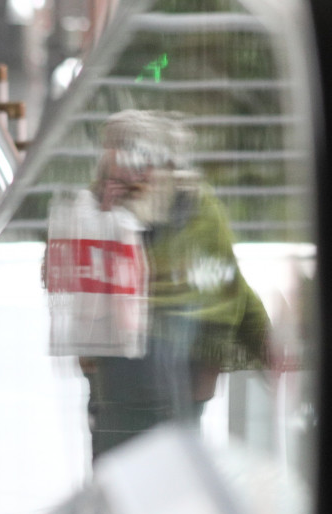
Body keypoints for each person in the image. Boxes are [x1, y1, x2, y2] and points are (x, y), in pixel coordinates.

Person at [69, 110, 272, 460]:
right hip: (117, 366)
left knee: (172, 462)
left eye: (141, 159)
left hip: (189, 364)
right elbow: (81, 277)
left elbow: (227, 280)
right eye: (117, 158)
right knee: (120, 461)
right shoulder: (97, 205)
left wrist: (265, 342)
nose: (131, 172)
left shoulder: (196, 206)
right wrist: (108, 219)